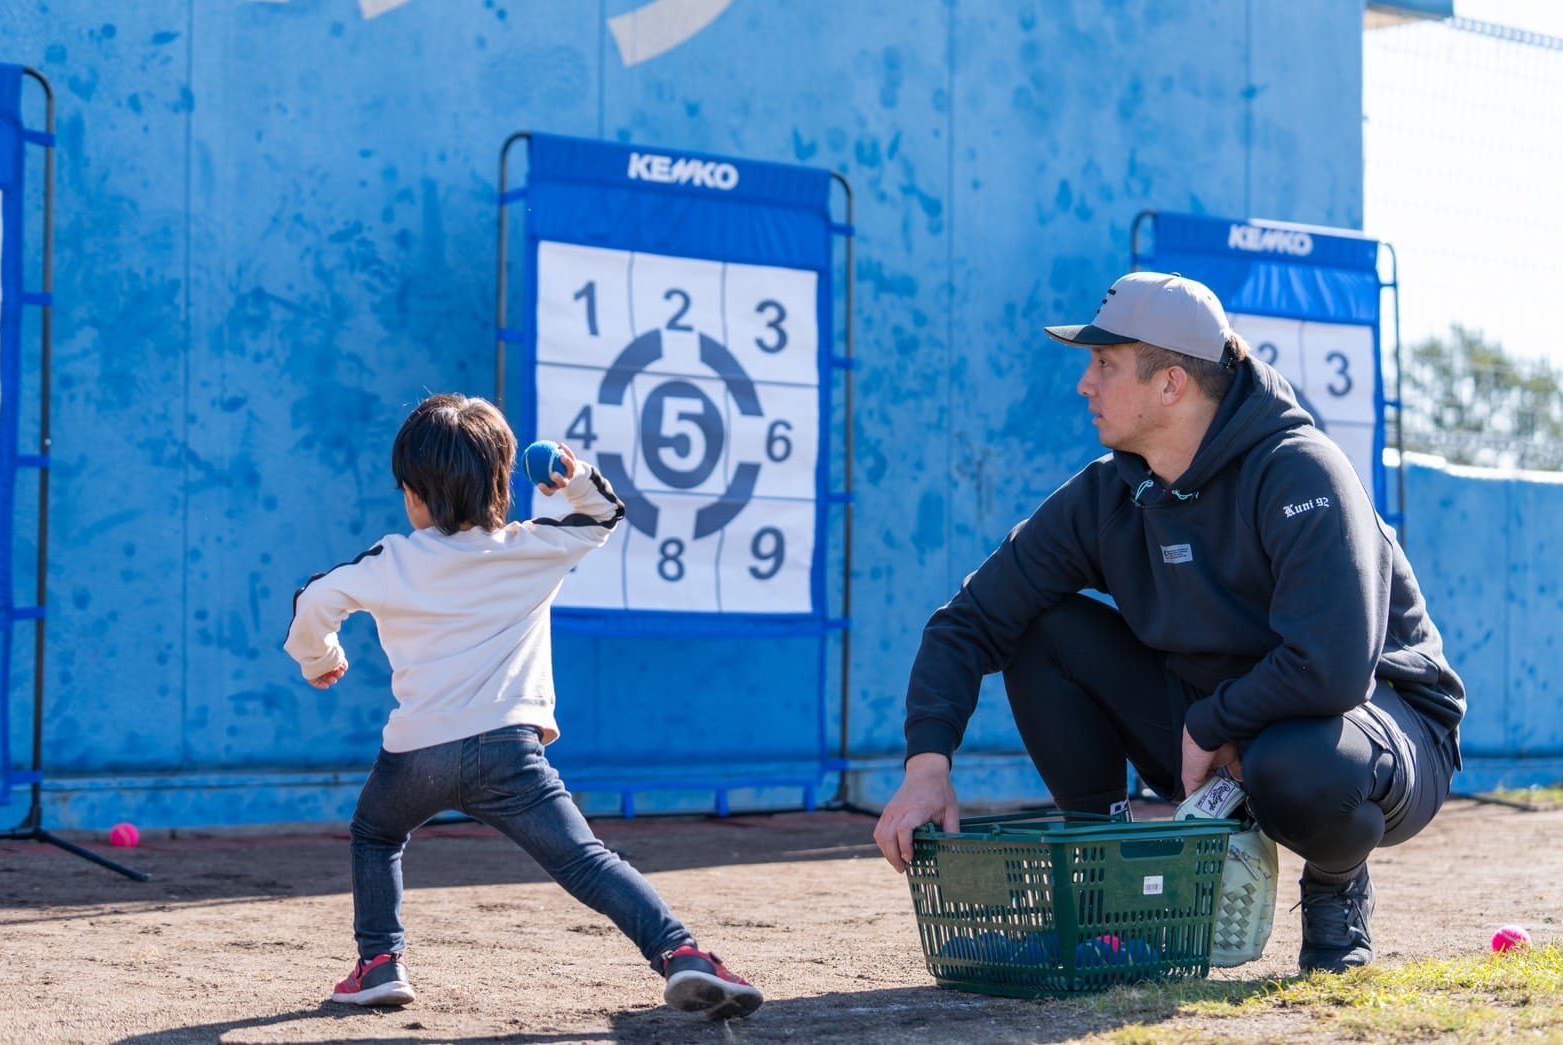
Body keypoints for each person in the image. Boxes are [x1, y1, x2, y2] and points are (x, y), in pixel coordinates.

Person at [872, 272, 1465, 975]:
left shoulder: (1300, 471)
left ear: (1170, 384)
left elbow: (1331, 666)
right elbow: (966, 622)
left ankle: (1335, 884)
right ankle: (1096, 899)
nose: (1083, 384)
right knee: (1042, 631)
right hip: (1209, 740)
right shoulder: (1109, 492)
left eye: (1104, 364)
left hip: (1375, 728)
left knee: (1297, 767)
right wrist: (926, 764)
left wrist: (1211, 719)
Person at [284, 393, 763, 1020]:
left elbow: (314, 600)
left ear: (412, 491)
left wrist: (320, 659)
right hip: (510, 753)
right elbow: (604, 515)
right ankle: (682, 955)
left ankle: (380, 964)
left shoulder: (391, 558)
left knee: (376, 835)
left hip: (415, 754)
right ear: (501, 484)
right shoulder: (533, 546)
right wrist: (573, 473)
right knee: (585, 860)